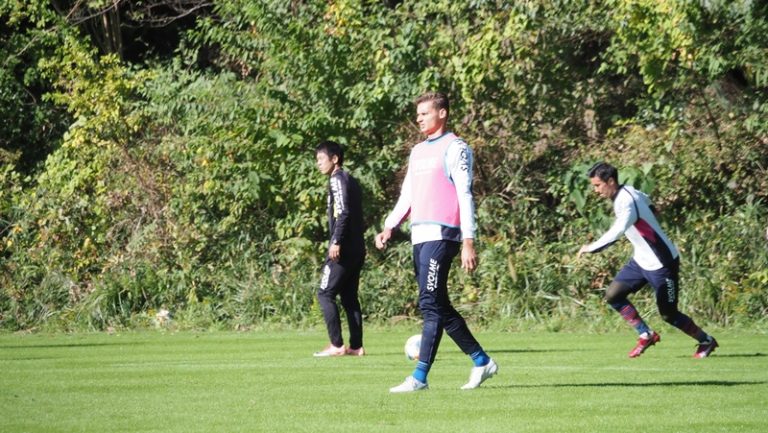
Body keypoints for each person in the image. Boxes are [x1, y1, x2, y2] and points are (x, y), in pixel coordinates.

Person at [375, 92, 498, 392]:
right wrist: (390, 225)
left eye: (425, 113)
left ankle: (419, 377)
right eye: (417, 114)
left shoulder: (456, 148)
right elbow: (408, 194)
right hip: (419, 236)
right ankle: (481, 361)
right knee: (437, 304)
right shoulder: (417, 151)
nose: (418, 119)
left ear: (442, 113)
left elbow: (464, 195)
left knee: (430, 303)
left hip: (443, 235)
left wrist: (468, 241)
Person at [577, 162, 718, 358]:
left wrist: (590, 248)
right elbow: (648, 201)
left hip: (662, 264)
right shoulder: (628, 191)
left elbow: (617, 231)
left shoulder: (626, 202)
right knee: (613, 295)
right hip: (641, 260)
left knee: (669, 314)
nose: (596, 190)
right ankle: (646, 334)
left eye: (598, 185)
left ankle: (706, 340)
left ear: (610, 181)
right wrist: (652, 211)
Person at [312, 140, 366, 357]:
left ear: (334, 159)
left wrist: (336, 241)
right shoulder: (350, 180)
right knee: (349, 297)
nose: (318, 163)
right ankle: (356, 346)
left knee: (325, 293)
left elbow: (343, 212)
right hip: (357, 247)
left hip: (343, 248)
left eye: (321, 159)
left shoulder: (337, 179)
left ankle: (336, 345)